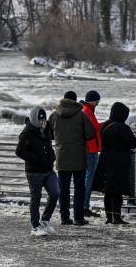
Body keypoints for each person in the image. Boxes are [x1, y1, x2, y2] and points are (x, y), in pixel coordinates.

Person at [48, 90, 96, 226]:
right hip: (79, 157)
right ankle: (78, 218)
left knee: (63, 189)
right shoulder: (81, 115)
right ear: (75, 100)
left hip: (61, 157)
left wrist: (59, 139)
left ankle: (64, 218)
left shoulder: (54, 115)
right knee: (79, 189)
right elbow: (91, 134)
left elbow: (48, 133)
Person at [15, 106, 60, 237]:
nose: (42, 122)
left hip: (48, 170)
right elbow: (19, 151)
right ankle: (35, 226)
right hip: (34, 171)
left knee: (55, 193)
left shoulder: (45, 129)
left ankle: (45, 220)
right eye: (40, 119)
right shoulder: (26, 132)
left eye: (43, 119)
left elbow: (49, 146)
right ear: (34, 118)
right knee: (36, 198)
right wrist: (35, 158)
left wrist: (52, 157)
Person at [92, 101, 136, 225]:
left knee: (108, 190)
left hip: (105, 160)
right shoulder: (123, 127)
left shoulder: (105, 125)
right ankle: (117, 218)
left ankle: (109, 217)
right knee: (117, 191)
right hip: (119, 162)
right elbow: (134, 143)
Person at [81, 89, 103, 220]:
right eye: (97, 101)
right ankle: (85, 207)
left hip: (91, 149)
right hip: (91, 150)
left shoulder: (87, 111)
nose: (98, 103)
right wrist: (108, 123)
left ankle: (85, 206)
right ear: (93, 101)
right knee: (88, 180)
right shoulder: (87, 112)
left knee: (87, 179)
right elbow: (94, 129)